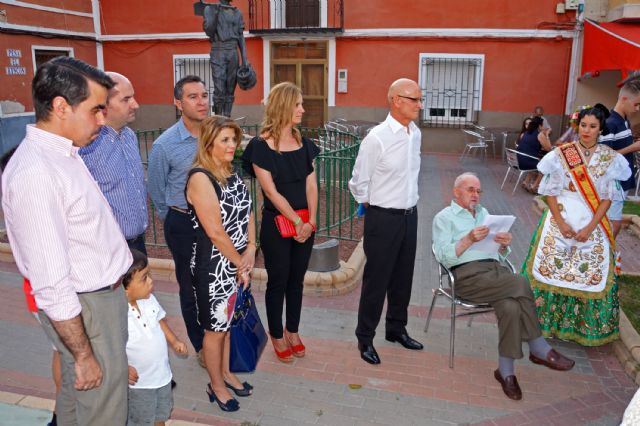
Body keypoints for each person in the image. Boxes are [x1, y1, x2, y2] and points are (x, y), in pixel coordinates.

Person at [1, 56, 132, 425]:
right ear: (61, 107)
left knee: (77, 403)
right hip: (87, 309)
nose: (102, 120)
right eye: (96, 110)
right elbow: (51, 281)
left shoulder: (61, 154)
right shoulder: (37, 173)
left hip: (93, 305)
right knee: (104, 410)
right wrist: (85, 355)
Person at [433, 172, 575, 401]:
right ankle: (538, 347)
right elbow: (444, 257)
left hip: (494, 273)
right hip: (467, 278)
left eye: (478, 191)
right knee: (520, 281)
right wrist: (468, 239)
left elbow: (498, 254)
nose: (476, 195)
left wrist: (503, 245)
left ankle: (505, 372)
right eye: (470, 190)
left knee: (510, 307)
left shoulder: (484, 214)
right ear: (456, 192)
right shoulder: (444, 218)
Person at [522, 107, 631, 346]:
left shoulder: (611, 159)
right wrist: (561, 224)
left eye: (593, 126)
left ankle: (581, 329)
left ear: (601, 129)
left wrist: (591, 228)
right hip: (560, 220)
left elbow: (606, 199)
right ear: (577, 125)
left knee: (588, 273)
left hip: (592, 223)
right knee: (551, 268)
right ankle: (542, 324)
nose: (587, 131)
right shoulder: (561, 154)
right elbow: (550, 193)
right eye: (583, 125)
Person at [242, 82, 319, 363]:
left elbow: (312, 186)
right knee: (278, 282)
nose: (302, 109)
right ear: (283, 107)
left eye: (301, 104)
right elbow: (271, 192)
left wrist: (311, 222)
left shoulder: (305, 144)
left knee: (296, 282)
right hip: (278, 225)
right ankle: (276, 334)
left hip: (305, 225)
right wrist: (297, 222)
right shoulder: (260, 147)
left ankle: (293, 331)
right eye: (297, 104)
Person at [348, 78, 423, 365]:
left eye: (420, 99)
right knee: (376, 282)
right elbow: (358, 183)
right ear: (396, 101)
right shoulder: (376, 138)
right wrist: (375, 206)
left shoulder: (415, 134)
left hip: (410, 217)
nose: (420, 105)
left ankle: (396, 329)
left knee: (403, 278)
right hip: (383, 219)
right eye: (414, 99)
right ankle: (365, 338)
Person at [186, 116, 256, 412]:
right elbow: (215, 231)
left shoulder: (230, 171)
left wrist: (252, 247)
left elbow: (248, 212)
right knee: (215, 329)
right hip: (213, 265)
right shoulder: (201, 178)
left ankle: (227, 373)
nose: (232, 145)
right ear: (209, 142)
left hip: (238, 258)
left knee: (228, 324)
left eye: (234, 139)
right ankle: (215, 385)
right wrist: (241, 263)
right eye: (225, 139)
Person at [148, 75, 209, 366]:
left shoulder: (214, 132)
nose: (202, 102)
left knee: (214, 282)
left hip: (214, 222)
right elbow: (157, 190)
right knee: (190, 285)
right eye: (193, 96)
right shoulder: (164, 145)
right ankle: (201, 346)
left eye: (204, 95)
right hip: (183, 222)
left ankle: (216, 336)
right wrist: (172, 217)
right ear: (178, 103)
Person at [79, 72, 148, 254]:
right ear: (103, 106)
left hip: (138, 244)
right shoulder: (86, 145)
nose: (135, 105)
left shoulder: (129, 136)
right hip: (106, 249)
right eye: (126, 99)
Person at [124, 249, 187, 426]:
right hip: (140, 386)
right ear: (125, 289)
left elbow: (160, 322)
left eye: (149, 275)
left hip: (163, 377)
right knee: (141, 420)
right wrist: (123, 367)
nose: (151, 281)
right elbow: (113, 347)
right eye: (144, 278)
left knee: (161, 414)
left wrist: (174, 341)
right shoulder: (119, 315)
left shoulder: (149, 299)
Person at [599, 76, 640, 238]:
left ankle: (606, 256)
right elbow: (603, 157)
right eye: (636, 104)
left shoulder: (624, 122)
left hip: (621, 181)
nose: (637, 109)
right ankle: (604, 256)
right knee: (613, 224)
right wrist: (633, 147)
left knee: (613, 223)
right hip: (613, 183)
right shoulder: (610, 123)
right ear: (624, 99)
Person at [201, 0, 248, 117]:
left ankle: (227, 118)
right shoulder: (210, 9)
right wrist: (216, 13)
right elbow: (209, 31)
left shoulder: (237, 12)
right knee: (219, 88)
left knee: (230, 88)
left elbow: (240, 37)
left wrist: (244, 59)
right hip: (218, 50)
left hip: (233, 51)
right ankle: (218, 119)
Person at [517, 116, 552, 193]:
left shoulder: (526, 132)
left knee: (535, 161)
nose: (544, 127)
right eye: (543, 125)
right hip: (526, 162)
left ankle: (526, 182)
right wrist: (546, 135)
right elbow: (549, 148)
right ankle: (534, 186)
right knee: (545, 166)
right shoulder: (539, 134)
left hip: (518, 161)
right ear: (539, 126)